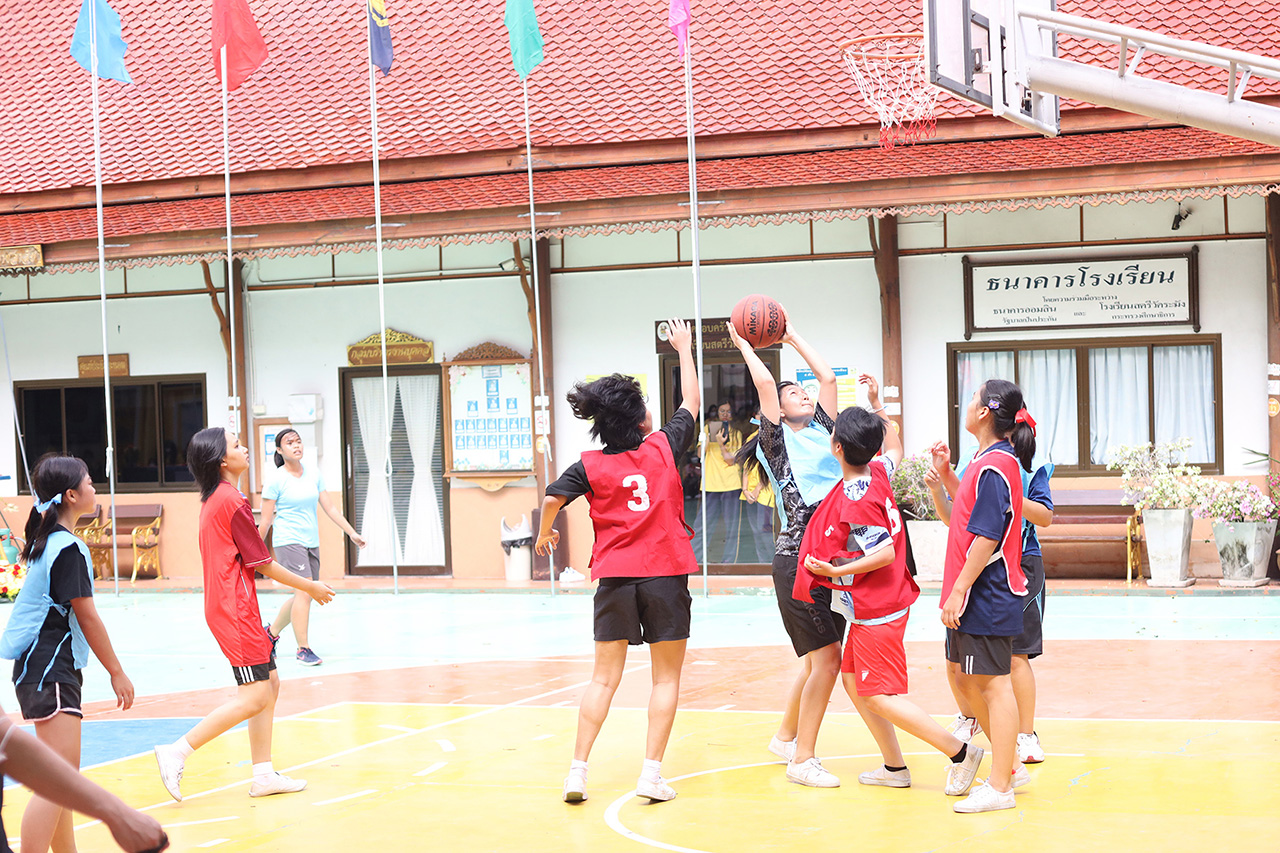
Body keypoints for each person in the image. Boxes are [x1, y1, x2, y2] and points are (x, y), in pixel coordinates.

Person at [793, 383, 985, 800]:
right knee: (852, 681)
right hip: (881, 602)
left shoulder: (856, 498)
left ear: (836, 447)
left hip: (878, 607)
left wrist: (833, 569)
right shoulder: (878, 469)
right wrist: (878, 404)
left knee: (879, 696)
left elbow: (882, 553)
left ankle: (960, 752)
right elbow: (894, 446)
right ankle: (894, 767)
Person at [535, 318, 699, 805]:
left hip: (615, 579)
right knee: (665, 678)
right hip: (665, 574)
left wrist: (546, 531)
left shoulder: (590, 464)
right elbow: (691, 401)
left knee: (603, 679)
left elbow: (551, 498)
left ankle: (577, 772)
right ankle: (650, 775)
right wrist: (683, 348)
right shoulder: (663, 447)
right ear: (642, 419)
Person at [153, 428, 335, 802]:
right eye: (237, 445)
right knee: (254, 697)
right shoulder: (230, 501)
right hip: (233, 609)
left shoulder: (219, 497)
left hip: (237, 606)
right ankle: (177, 751)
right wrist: (310, 586)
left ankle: (263, 775)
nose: (246, 448)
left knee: (270, 685)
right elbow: (262, 562)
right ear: (222, 460)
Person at [728, 317, 845, 788]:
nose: (803, 394)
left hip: (832, 560)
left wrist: (792, 334)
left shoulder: (824, 431)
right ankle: (803, 758)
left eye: (802, 390)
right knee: (828, 660)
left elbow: (828, 378)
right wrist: (744, 344)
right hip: (799, 559)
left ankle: (784, 739)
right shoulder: (776, 441)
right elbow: (763, 384)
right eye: (791, 392)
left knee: (817, 661)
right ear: (776, 408)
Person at [0, 454, 136, 853]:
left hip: (42, 671)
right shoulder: (68, 548)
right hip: (50, 672)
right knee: (59, 780)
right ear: (72, 495)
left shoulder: (51, 543)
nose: (95, 487)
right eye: (89, 482)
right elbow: (88, 618)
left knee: (61, 778)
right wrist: (116, 671)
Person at [927, 379, 1036, 813]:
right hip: (974, 590)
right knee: (964, 678)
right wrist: (944, 480)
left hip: (986, 592)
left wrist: (959, 590)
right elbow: (965, 515)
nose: (968, 404)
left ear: (986, 412)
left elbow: (988, 536)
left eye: (974, 398)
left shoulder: (996, 466)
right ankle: (1010, 766)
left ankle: (1001, 785)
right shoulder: (984, 461)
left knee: (993, 685)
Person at [929, 450, 1054, 764]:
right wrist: (940, 488)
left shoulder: (1028, 463)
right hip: (972, 564)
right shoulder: (973, 461)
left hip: (1017, 563)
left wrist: (1007, 493)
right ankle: (970, 719)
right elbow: (960, 516)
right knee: (956, 661)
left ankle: (1025, 735)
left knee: (1015, 656)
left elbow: (1044, 516)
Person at [261, 428, 366, 667]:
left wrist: (351, 533)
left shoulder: (313, 473)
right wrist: (254, 552)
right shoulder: (276, 479)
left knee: (305, 593)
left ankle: (270, 634)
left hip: (310, 541)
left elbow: (330, 508)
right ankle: (303, 649)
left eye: (298, 441)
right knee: (304, 591)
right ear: (279, 450)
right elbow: (266, 520)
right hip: (288, 540)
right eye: (290, 443)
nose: (296, 446)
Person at [0, 709, 168, 852]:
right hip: (52, 684)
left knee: (64, 765)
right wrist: (119, 815)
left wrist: (118, 815)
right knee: (64, 761)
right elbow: (8, 744)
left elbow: (7, 743)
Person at [698, 400, 744, 563]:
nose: (725, 415)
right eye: (722, 411)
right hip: (711, 483)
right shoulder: (707, 429)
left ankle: (729, 562)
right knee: (702, 524)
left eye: (728, 412)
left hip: (731, 484)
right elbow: (700, 455)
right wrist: (707, 438)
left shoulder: (736, 434)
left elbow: (731, 460)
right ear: (717, 413)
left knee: (731, 526)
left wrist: (721, 444)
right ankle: (697, 560)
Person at [740, 409, 776, 562]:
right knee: (756, 532)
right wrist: (745, 489)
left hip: (764, 493)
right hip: (750, 494)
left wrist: (757, 489)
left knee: (765, 532)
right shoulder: (751, 438)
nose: (761, 417)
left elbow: (771, 468)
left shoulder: (772, 438)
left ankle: (771, 564)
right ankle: (762, 564)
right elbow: (746, 466)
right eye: (759, 414)